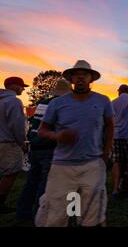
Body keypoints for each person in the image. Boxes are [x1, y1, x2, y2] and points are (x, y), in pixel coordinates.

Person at [35, 60, 114, 227]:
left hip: (92, 165)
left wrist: (106, 153)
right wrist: (57, 136)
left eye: (84, 74)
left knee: (93, 215)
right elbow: (42, 130)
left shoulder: (103, 101)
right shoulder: (57, 104)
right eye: (76, 75)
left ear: (91, 78)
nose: (80, 78)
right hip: (62, 167)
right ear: (71, 79)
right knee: (55, 216)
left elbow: (110, 125)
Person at [15, 79, 71, 224]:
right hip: (48, 149)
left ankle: (22, 214)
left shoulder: (42, 103)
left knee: (31, 182)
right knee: (45, 186)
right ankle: (38, 217)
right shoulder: (61, 105)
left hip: (35, 148)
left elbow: (34, 124)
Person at [0, 77, 29, 214]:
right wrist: (22, 143)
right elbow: (16, 126)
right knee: (10, 174)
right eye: (21, 86)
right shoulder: (14, 101)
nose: (23, 88)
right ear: (13, 86)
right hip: (9, 144)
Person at [111, 84, 128, 200]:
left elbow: (109, 120)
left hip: (115, 136)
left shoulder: (113, 102)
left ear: (119, 91)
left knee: (116, 162)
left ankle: (115, 190)